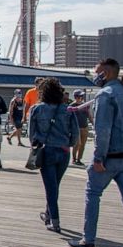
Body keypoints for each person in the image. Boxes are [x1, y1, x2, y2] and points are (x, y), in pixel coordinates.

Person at [70, 58, 123, 247]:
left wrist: (98, 158)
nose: (95, 76)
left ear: (107, 73)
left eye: (97, 72)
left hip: (111, 155)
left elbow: (103, 131)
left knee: (92, 194)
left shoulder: (105, 95)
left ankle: (89, 239)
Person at [28, 78, 79, 233]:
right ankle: (48, 215)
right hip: (63, 151)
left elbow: (32, 134)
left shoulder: (37, 109)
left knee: (51, 187)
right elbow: (75, 134)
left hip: (47, 150)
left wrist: (35, 146)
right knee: (55, 184)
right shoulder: (67, 109)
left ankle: (55, 221)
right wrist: (68, 144)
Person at [70, 90, 92, 164]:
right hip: (76, 127)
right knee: (77, 143)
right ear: (75, 97)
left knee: (83, 144)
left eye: (82, 96)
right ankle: (74, 158)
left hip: (84, 126)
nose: (81, 98)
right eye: (79, 96)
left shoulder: (85, 105)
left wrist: (93, 123)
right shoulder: (72, 106)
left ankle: (79, 159)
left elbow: (89, 115)